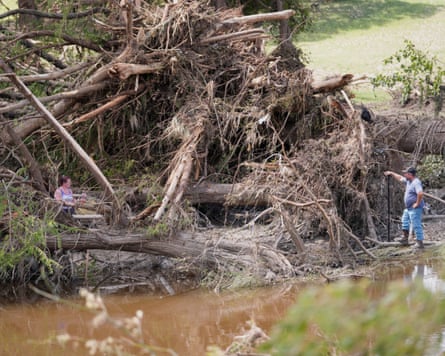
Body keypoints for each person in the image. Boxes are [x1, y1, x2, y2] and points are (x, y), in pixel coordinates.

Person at [384, 167, 425, 249]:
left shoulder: (416, 182)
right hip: (408, 208)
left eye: (406, 173)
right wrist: (391, 173)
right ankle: (405, 238)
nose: (404, 174)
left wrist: (417, 203)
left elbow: (420, 193)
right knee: (405, 220)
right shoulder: (408, 181)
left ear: (410, 174)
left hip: (415, 208)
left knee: (416, 224)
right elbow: (400, 178)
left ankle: (420, 243)